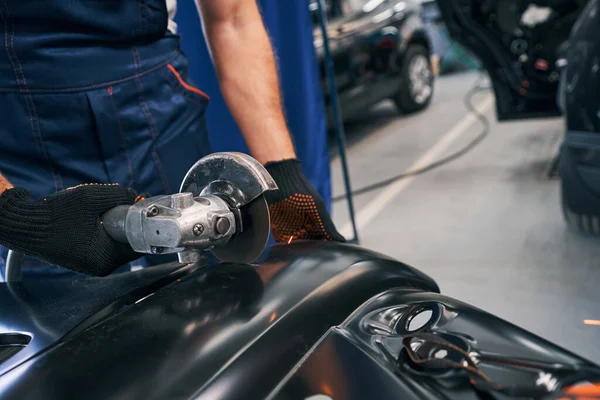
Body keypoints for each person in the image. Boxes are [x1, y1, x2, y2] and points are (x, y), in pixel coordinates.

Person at [0, 0, 344, 278]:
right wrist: (13, 215)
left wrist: (279, 169)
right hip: (27, 147)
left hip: (159, 116)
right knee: (64, 332)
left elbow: (234, 17)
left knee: (210, 305)